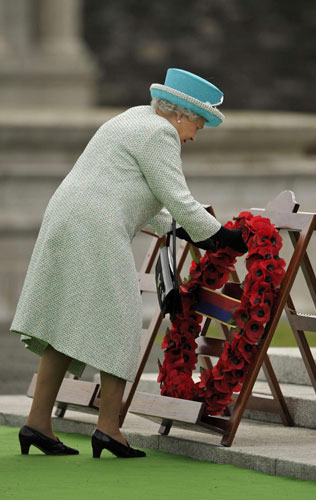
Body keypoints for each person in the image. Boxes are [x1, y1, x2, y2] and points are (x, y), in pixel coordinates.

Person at [10, 68, 246, 459]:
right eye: (198, 126)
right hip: (95, 228)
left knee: (65, 322)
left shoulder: (133, 117)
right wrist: (224, 237)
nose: (193, 136)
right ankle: (108, 429)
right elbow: (177, 195)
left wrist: (186, 229)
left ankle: (37, 423)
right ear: (181, 115)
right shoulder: (161, 133)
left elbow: (135, 191)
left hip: (68, 218)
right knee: (120, 321)